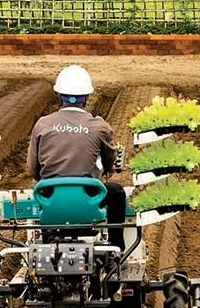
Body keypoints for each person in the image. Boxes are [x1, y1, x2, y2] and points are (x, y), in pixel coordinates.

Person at [27, 64, 127, 244]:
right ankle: (117, 249)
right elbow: (109, 162)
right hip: (88, 200)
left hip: (53, 203)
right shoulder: (99, 126)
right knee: (117, 193)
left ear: (59, 96)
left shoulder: (42, 125)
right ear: (86, 98)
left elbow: (33, 169)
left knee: (43, 189)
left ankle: (48, 243)